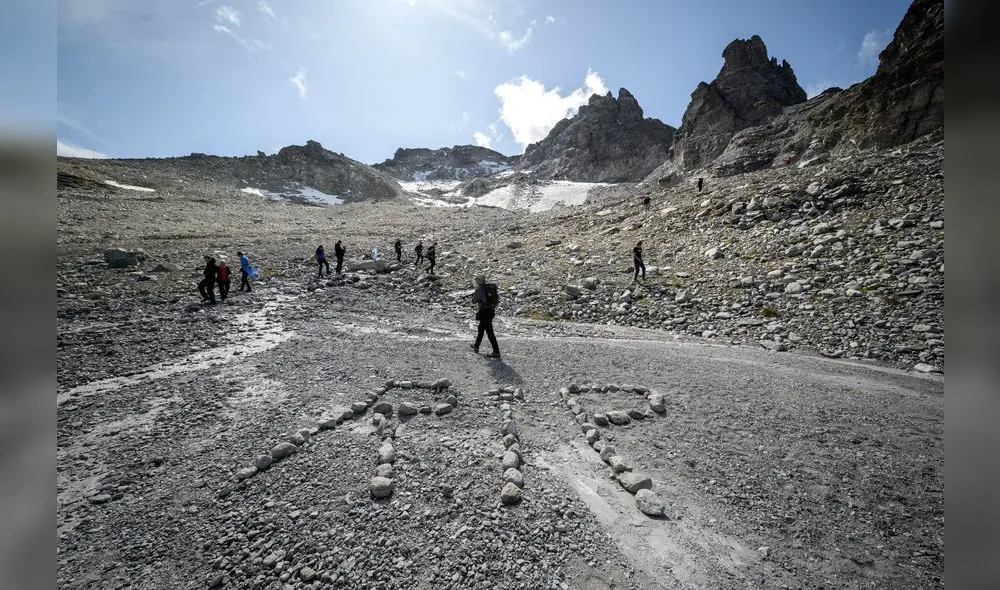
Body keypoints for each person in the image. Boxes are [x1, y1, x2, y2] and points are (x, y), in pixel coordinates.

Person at [470, 275, 501, 359]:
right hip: (491, 311)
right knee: (484, 329)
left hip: (484, 312)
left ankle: (496, 351)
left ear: (478, 281)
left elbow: (473, 301)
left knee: (486, 331)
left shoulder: (479, 290)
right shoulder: (490, 288)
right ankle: (476, 345)